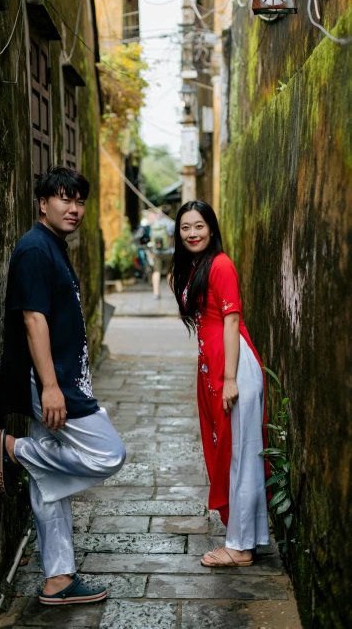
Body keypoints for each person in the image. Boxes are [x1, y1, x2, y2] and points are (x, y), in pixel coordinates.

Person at [0, 167, 126, 605]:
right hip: (55, 383)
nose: (73, 209)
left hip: (63, 378)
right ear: (42, 203)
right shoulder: (35, 249)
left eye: (79, 201)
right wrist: (50, 387)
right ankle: (14, 450)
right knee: (109, 453)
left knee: (48, 482)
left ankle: (57, 580)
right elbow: (33, 318)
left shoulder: (52, 246)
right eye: (63, 199)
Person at [170, 200, 270, 567]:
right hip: (214, 366)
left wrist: (229, 378)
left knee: (241, 455)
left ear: (211, 228)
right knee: (232, 454)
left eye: (199, 226)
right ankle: (247, 537)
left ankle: (240, 548)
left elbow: (231, 320)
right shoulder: (197, 266)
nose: (192, 233)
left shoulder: (221, 264)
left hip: (234, 368)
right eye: (185, 228)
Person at [149, 204, 175, 299]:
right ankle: (171, 291)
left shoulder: (155, 224)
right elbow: (172, 238)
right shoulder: (172, 223)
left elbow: (151, 238)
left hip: (157, 252)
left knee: (156, 271)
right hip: (169, 252)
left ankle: (156, 293)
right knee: (170, 271)